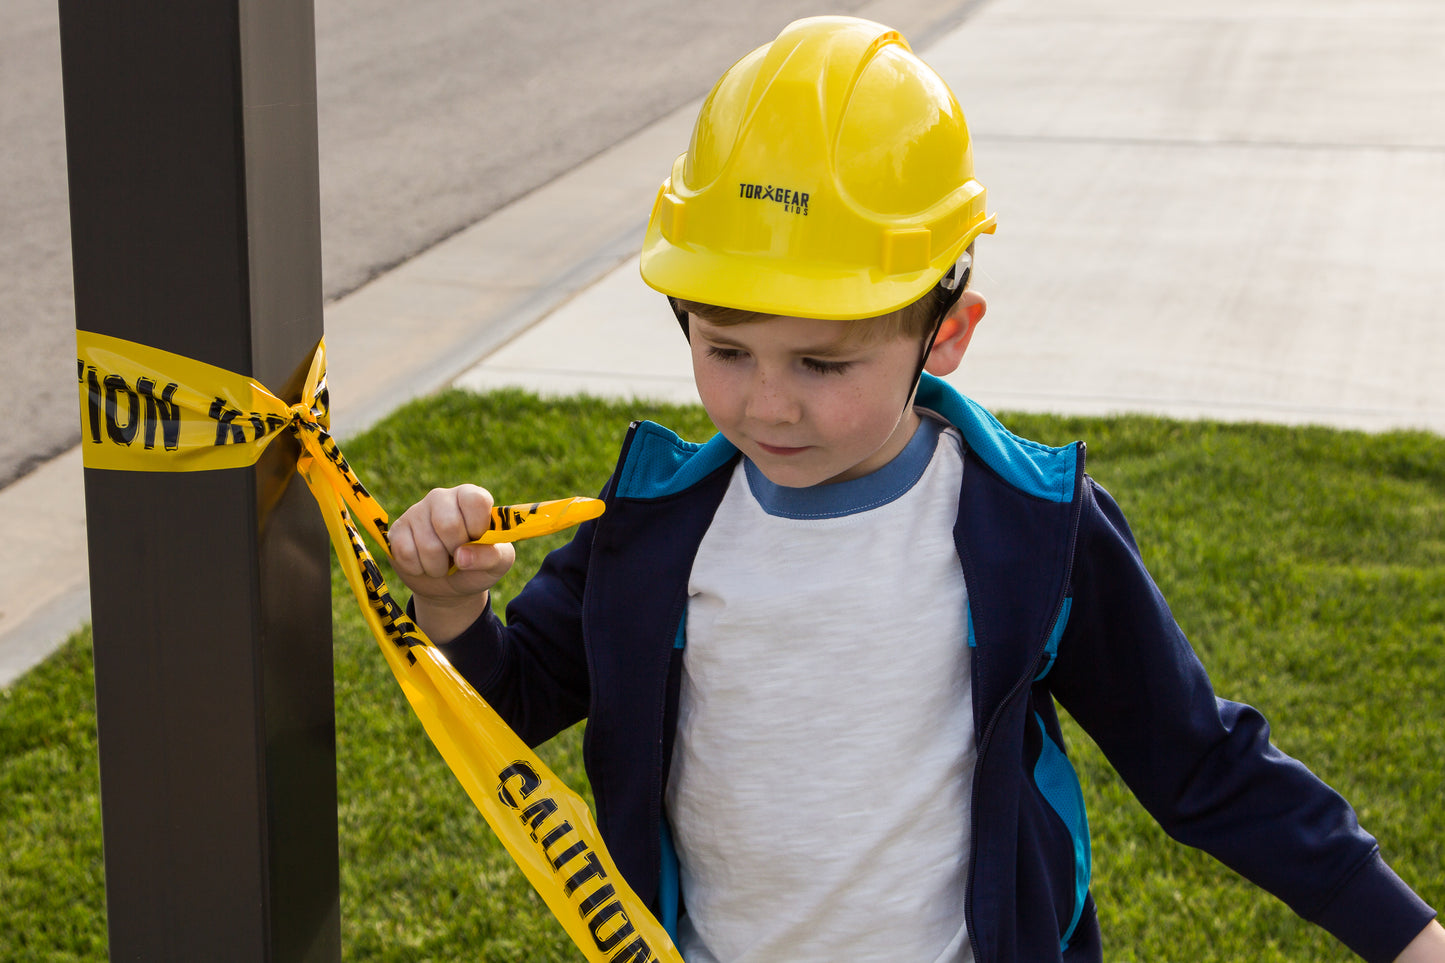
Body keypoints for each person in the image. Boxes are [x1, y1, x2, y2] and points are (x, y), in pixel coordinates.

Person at [390, 16, 1443, 963]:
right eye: (724, 350)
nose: (765, 408)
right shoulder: (654, 526)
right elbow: (511, 704)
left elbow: (1198, 762)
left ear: (944, 332)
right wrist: (452, 605)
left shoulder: (1027, 528)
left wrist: (1403, 933)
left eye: (822, 364)